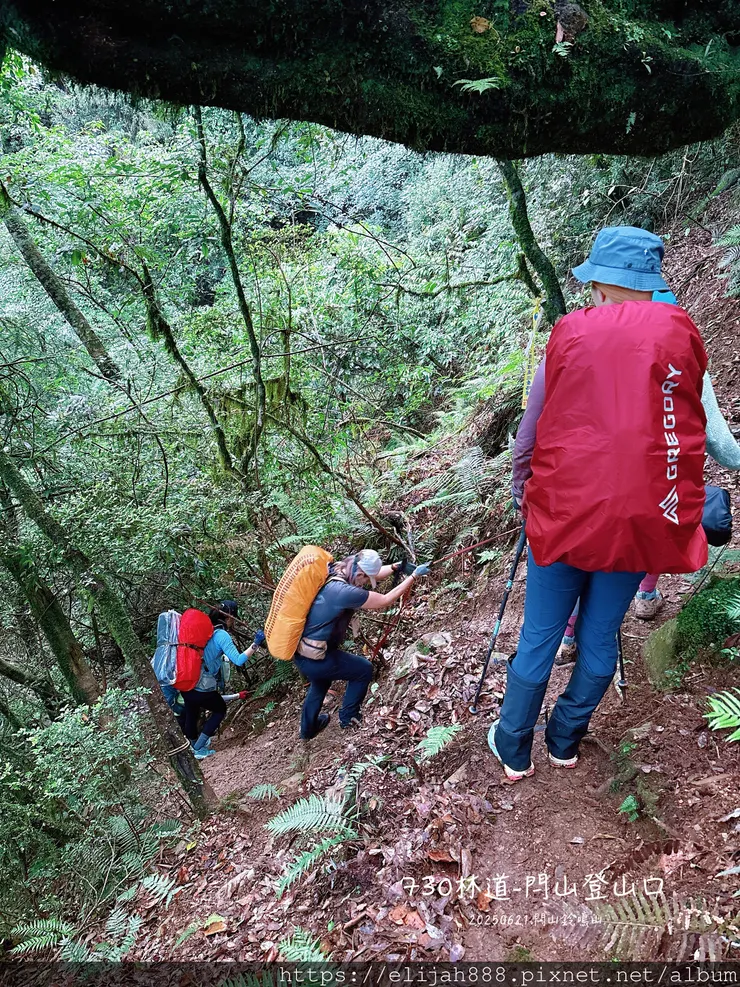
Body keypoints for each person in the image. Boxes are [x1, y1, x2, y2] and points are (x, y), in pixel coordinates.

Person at [492, 226, 708, 781]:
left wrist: (524, 495)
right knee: (599, 635)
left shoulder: (571, 334)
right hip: (640, 524)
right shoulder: (679, 337)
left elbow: (528, 436)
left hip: (563, 518)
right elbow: (686, 431)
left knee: (540, 636)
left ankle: (514, 746)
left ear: (602, 285)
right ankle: (565, 738)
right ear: (650, 283)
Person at [524, 289, 740, 661]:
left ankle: (568, 635)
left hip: (577, 501)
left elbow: (534, 432)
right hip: (645, 507)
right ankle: (646, 594)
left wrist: (523, 489)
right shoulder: (682, 361)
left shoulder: (578, 354)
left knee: (574, 555)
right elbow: (722, 446)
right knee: (660, 514)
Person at [295, 550, 430, 740]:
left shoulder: (339, 569)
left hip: (304, 653)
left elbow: (372, 573)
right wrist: (414, 576)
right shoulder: (344, 592)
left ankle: (308, 730)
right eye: (366, 580)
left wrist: (395, 567)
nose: (365, 583)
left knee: (321, 682)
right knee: (363, 670)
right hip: (316, 657)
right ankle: (349, 718)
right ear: (359, 574)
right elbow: (384, 600)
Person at [180, 600, 265, 759]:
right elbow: (238, 660)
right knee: (219, 709)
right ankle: (198, 748)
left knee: (192, 711)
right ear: (229, 617)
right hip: (202, 686)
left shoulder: (203, 631)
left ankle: (192, 744)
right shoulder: (221, 635)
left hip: (186, 681)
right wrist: (256, 644)